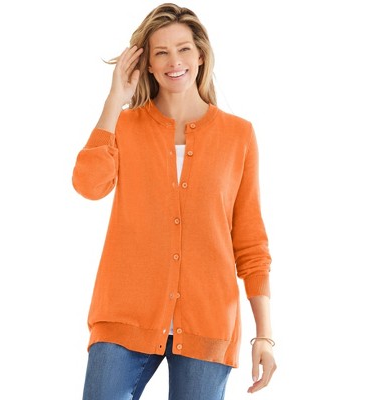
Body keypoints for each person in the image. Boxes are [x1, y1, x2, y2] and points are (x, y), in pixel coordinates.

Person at [72, 3, 276, 399]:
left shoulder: (238, 135)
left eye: (183, 49)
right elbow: (89, 185)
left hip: (207, 322)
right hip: (123, 316)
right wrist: (115, 100)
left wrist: (264, 336)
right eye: (161, 52)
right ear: (147, 64)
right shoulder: (125, 126)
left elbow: (251, 243)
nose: (174, 61)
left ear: (200, 55)